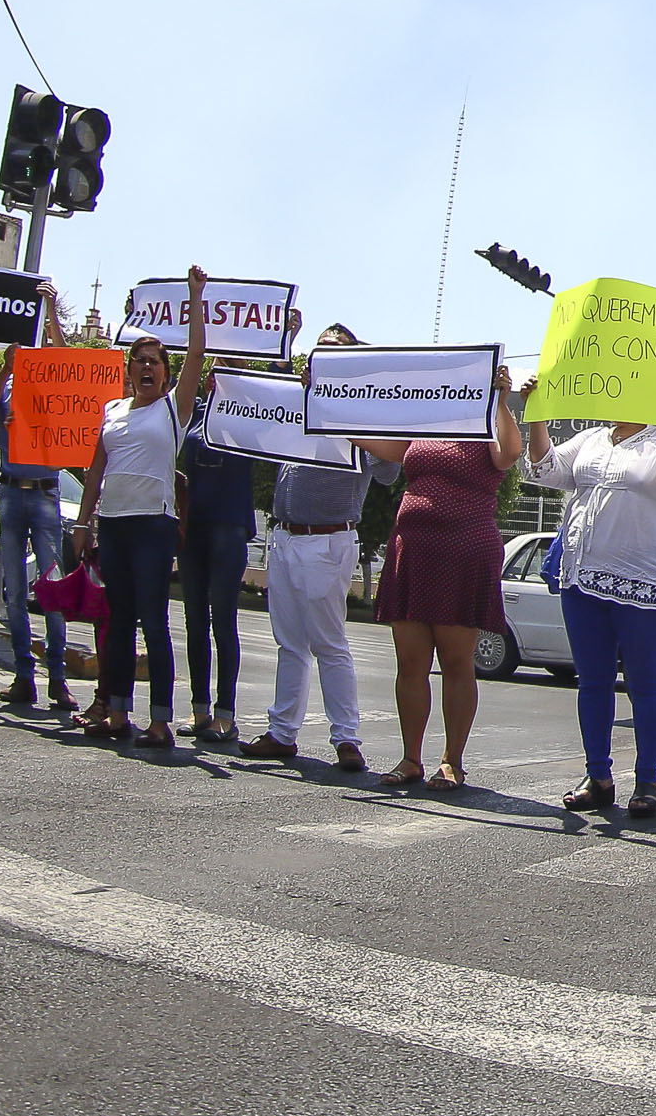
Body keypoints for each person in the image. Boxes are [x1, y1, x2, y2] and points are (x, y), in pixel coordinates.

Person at [525, 368, 656, 819]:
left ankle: (648, 779)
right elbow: (544, 469)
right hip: (583, 579)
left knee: (646, 681)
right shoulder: (589, 440)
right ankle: (598, 776)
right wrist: (535, 414)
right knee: (593, 681)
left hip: (646, 583)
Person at [351, 351, 522, 793]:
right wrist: (334, 408)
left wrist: (499, 400)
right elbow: (385, 445)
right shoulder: (428, 419)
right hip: (414, 551)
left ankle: (452, 760)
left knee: (455, 661)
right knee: (410, 662)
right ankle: (411, 758)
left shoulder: (486, 423)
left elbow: (510, 455)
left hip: (463, 554)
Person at [71, 270, 217, 750]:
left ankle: (159, 721)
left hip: (153, 527)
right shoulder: (112, 409)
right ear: (129, 369)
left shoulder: (174, 409)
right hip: (112, 526)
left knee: (153, 620)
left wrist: (196, 298)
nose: (146, 368)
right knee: (117, 620)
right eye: (139, 361)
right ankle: (116, 712)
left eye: (155, 362)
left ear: (166, 373)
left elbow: (196, 354)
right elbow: (95, 470)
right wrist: (83, 522)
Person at [240, 323, 380, 772]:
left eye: (335, 350)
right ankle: (283, 732)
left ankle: (346, 738)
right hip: (284, 537)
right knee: (290, 642)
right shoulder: (296, 408)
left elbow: (390, 467)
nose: (324, 356)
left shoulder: (362, 413)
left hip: (327, 540)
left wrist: (345, 414)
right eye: (319, 349)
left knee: (329, 642)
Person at [0, 351, 79, 714]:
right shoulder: (7, 384)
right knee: (15, 590)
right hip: (10, 491)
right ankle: (24, 674)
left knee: (51, 587)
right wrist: (6, 367)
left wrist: (52, 308)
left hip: (44, 492)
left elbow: (70, 363)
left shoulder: (58, 389)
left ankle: (57, 677)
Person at [176, 378, 260, 745]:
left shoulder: (250, 412)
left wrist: (285, 344)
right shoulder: (194, 412)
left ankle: (226, 713)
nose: (217, 375)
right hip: (193, 525)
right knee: (193, 618)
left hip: (229, 526)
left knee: (222, 619)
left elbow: (280, 395)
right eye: (213, 367)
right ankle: (200, 709)